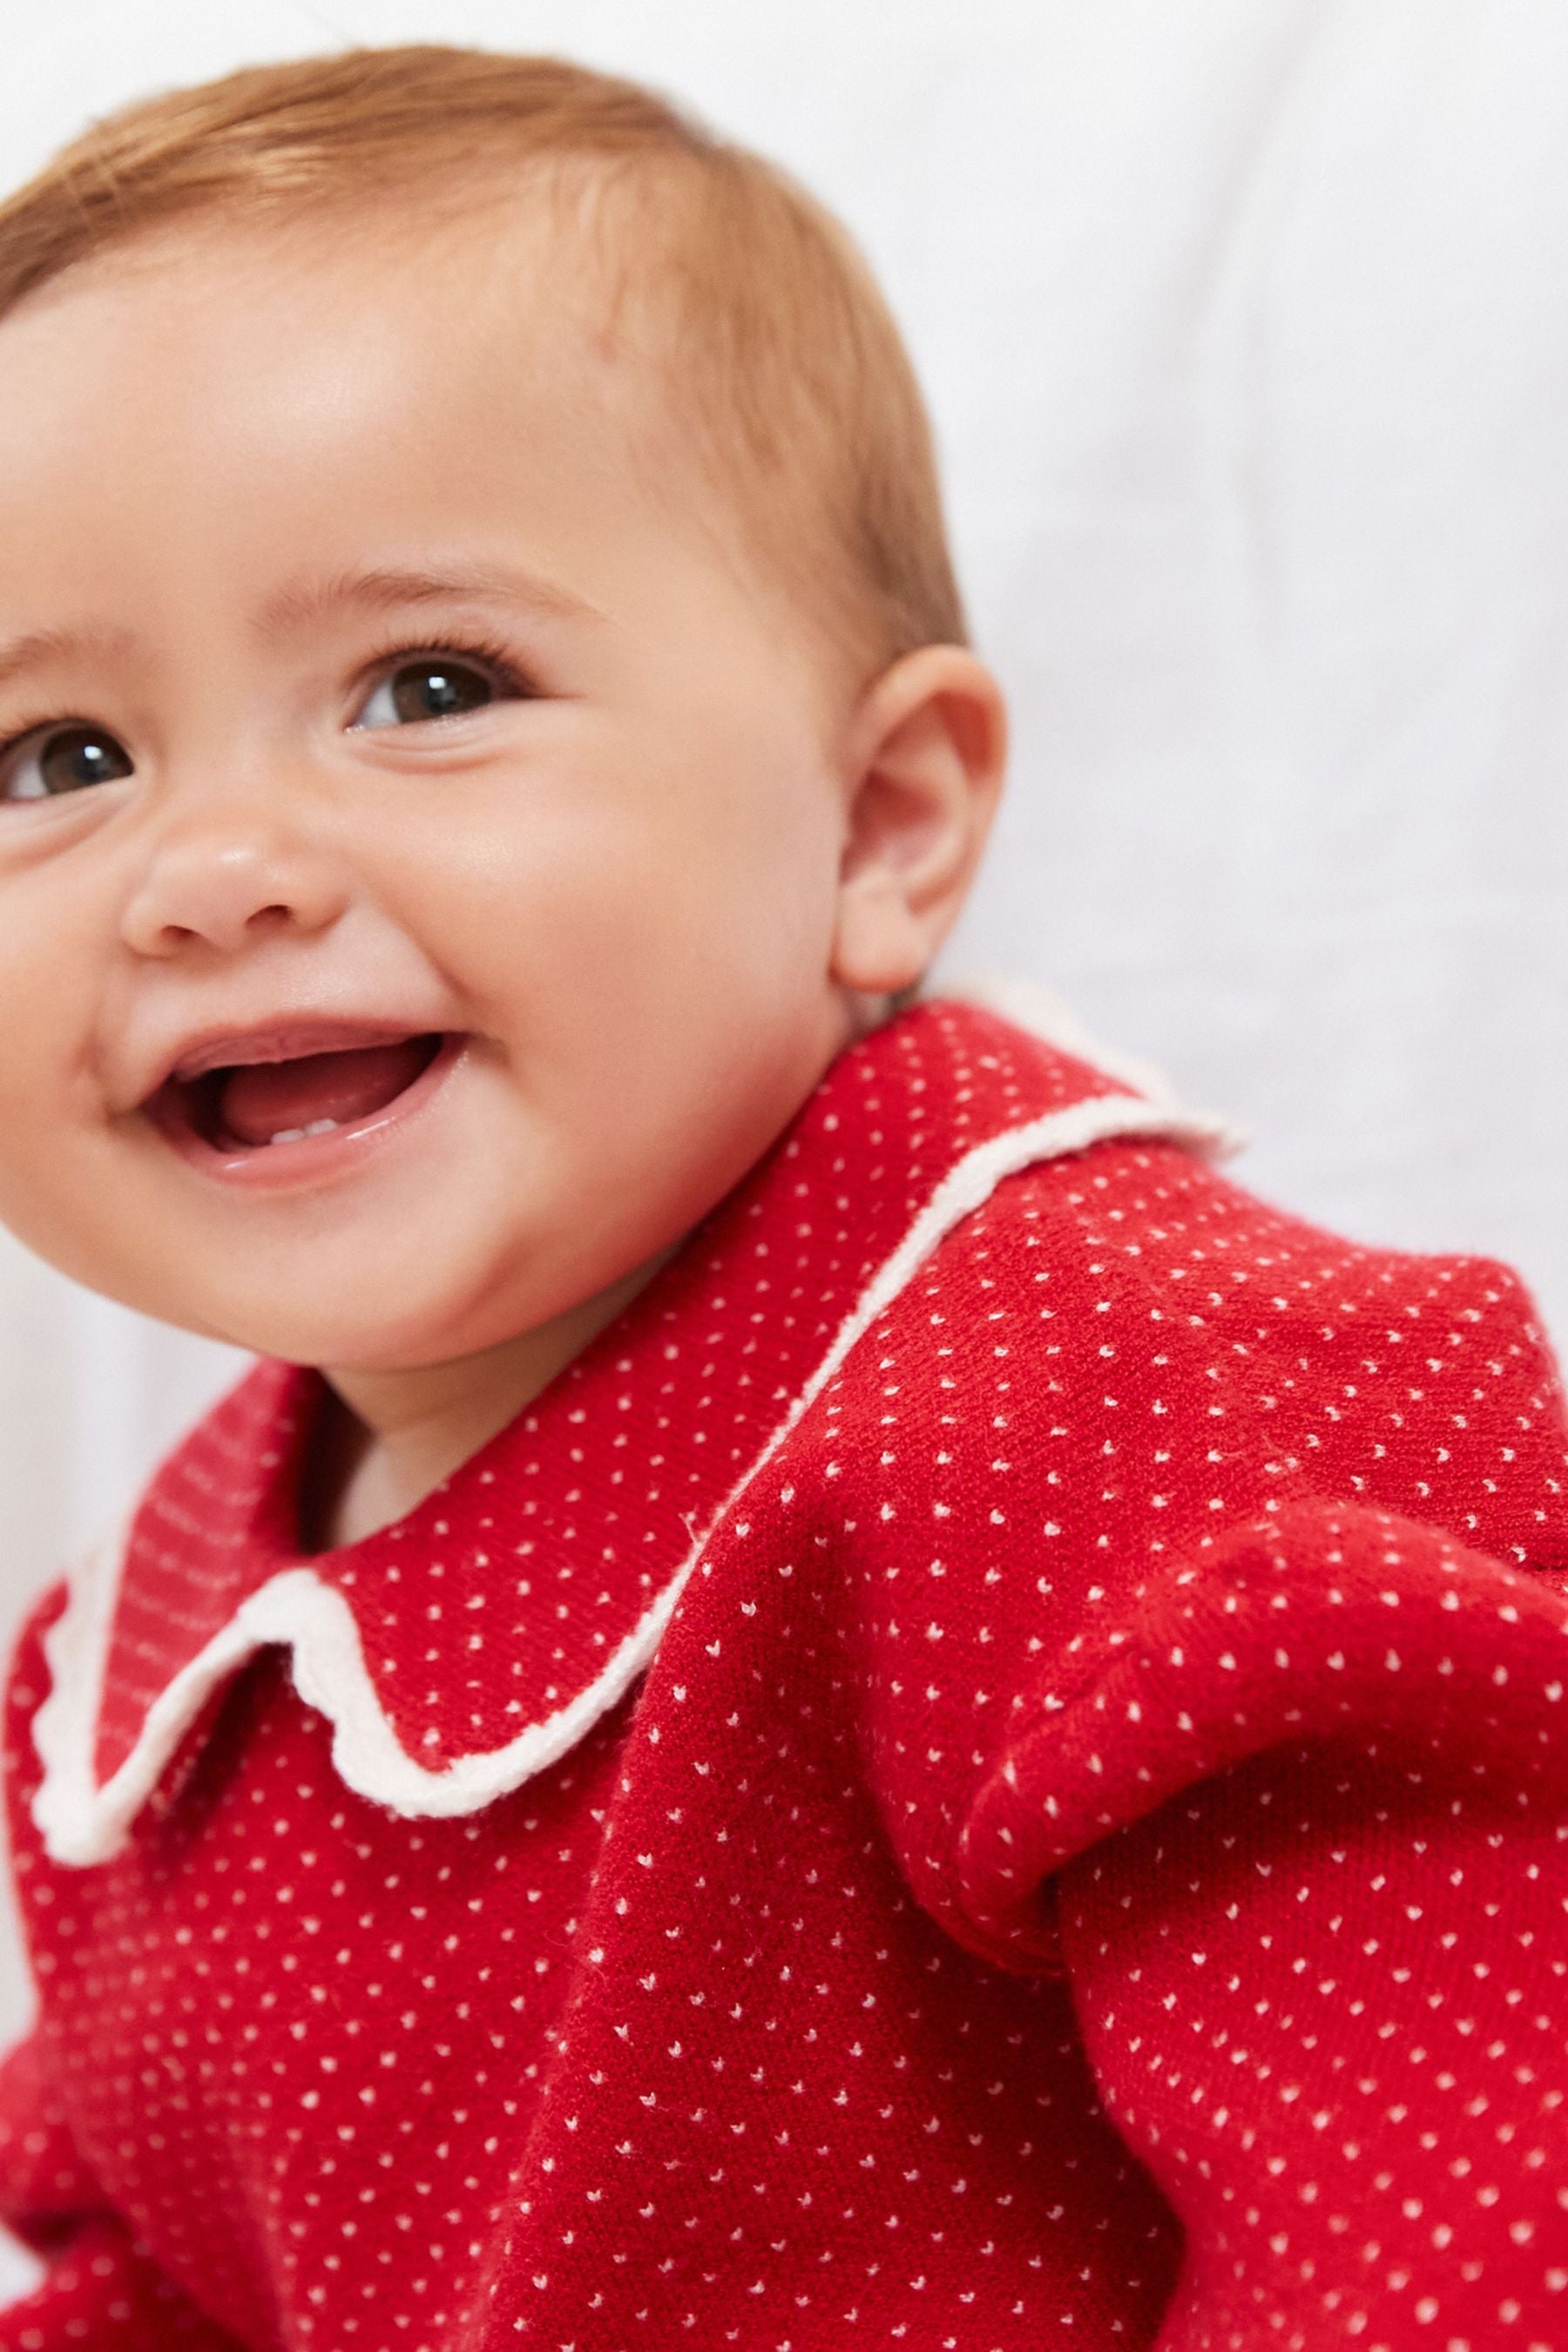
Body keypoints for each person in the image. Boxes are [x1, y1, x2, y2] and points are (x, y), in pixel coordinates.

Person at [0, 41, 1560, 2352]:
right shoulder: (154, 1675)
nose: (213, 872)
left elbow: (1457, 2203)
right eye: (62, 755)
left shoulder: (1114, 1411)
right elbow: (164, 2279)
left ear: (880, 828)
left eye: (429, 684)